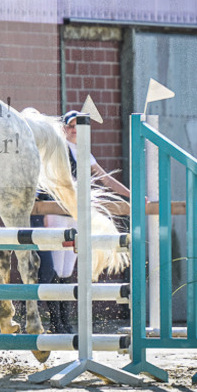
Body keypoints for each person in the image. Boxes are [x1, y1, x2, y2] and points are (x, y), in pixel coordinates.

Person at [44, 110, 131, 333]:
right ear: (63, 128)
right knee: (56, 268)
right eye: (70, 126)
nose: (74, 130)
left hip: (75, 215)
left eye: (78, 126)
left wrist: (132, 195)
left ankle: (64, 321)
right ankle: (55, 322)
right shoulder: (58, 149)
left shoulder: (84, 152)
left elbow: (105, 179)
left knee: (67, 270)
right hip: (56, 212)